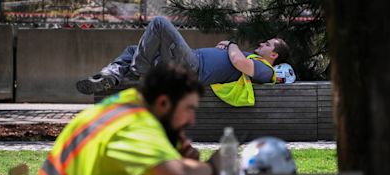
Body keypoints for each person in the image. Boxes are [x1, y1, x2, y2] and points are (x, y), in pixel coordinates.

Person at [35, 63, 219, 175]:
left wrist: (176, 150)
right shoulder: (136, 125)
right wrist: (213, 167)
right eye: (189, 109)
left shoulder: (130, 103)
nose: (192, 120)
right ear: (163, 102)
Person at [76, 16, 290, 95]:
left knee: (159, 23)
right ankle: (110, 75)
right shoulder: (257, 61)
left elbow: (238, 62)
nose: (262, 43)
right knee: (134, 49)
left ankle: (135, 72)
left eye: (268, 44)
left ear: (273, 54)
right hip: (186, 62)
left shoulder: (265, 69)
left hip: (192, 68)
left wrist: (232, 44)